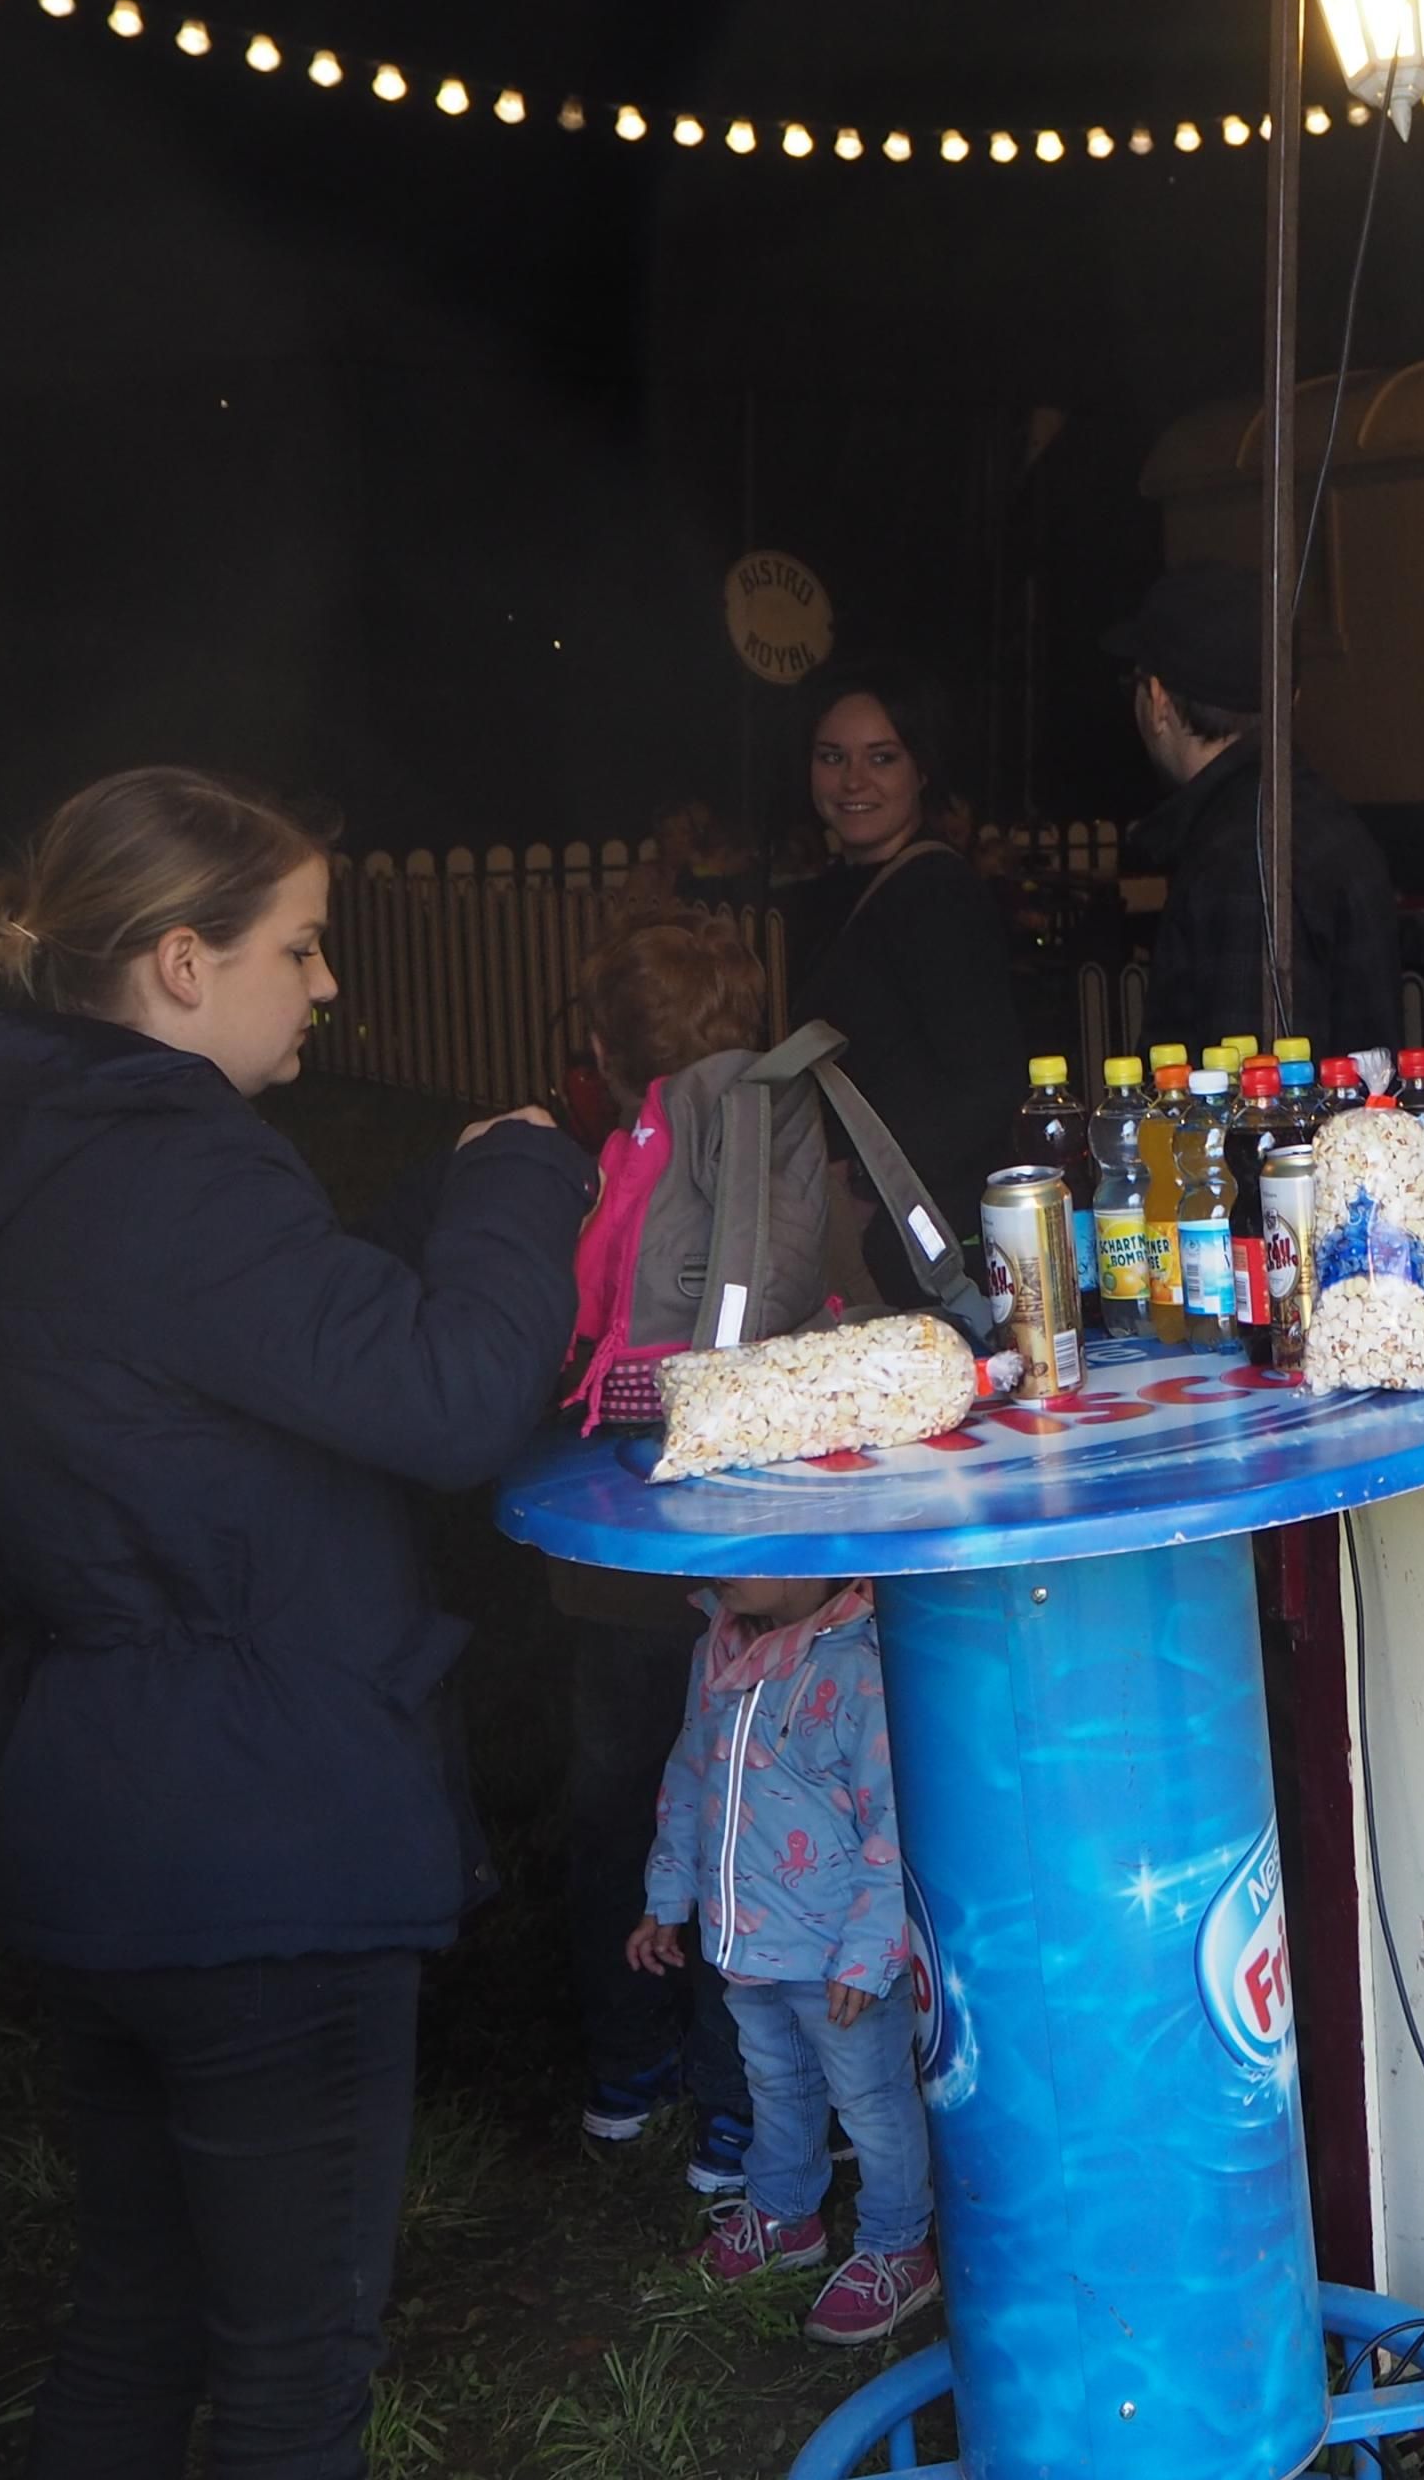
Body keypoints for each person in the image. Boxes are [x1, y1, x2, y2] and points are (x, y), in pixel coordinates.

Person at [0, 767, 590, 2480]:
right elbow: (451, 1398)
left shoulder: (39, 1143)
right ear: (182, 961)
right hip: (251, 1840)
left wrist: (439, 1193)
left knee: (139, 2323)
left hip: (99, 1817)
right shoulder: (166, 1171)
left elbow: (263, 1337)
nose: (327, 984)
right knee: (289, 2383)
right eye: (300, 947)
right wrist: (528, 1178)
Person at [554, 905, 832, 2192]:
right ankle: (745, 2109)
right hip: (758, 1552)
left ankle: (625, 2070)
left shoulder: (626, 1156)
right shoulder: (781, 1131)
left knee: (620, 1806)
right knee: (749, 1818)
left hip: (618, 1557)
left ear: (607, 1053)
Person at [631, 1572, 940, 2346]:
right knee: (773, 2081)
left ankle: (899, 2248)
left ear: (816, 1550)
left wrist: (869, 1953)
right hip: (747, 1940)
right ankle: (784, 2217)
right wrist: (668, 1893)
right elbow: (689, 1773)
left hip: (840, 1954)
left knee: (871, 2101)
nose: (725, 1561)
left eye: (753, 1542)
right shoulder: (719, 1649)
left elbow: (896, 1819)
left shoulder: (861, 1666)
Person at [782, 656, 1020, 1296]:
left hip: (913, 1243)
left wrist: (866, 1185)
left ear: (922, 769)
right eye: (832, 757)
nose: (853, 780)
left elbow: (988, 1082)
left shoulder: (935, 895)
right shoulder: (837, 893)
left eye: (881, 758)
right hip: (865, 1229)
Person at [1100, 561, 1401, 1058]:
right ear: (1291, 698)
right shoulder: (1312, 816)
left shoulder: (1242, 856)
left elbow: (1250, 1089)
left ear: (1158, 701)